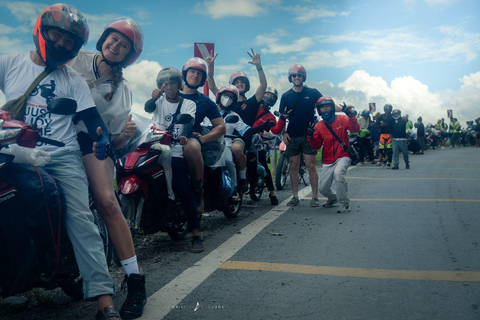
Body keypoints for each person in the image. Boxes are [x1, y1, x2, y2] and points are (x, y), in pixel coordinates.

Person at [0, 4, 120, 319]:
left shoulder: (73, 81)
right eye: (58, 35)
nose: (63, 45)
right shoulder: (10, 63)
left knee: (80, 218)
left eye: (70, 42)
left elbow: (92, 119)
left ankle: (104, 299)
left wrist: (102, 137)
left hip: (61, 156)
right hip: (14, 150)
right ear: (42, 31)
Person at [69, 17, 146, 319]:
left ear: (129, 54)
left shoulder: (122, 89)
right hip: (51, 138)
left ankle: (135, 279)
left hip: (91, 142)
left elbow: (112, 138)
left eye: (123, 45)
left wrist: (122, 136)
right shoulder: (75, 58)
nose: (115, 46)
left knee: (106, 201)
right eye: (113, 39)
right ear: (103, 39)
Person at [144, 67, 203, 253]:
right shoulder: (158, 101)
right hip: (156, 147)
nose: (169, 86)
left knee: (184, 190)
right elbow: (148, 108)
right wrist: (153, 98)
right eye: (165, 83)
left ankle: (195, 234)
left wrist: (183, 136)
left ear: (179, 84)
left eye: (172, 82)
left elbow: (187, 122)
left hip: (175, 149)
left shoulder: (188, 104)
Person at [179, 57, 226, 213]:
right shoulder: (170, 94)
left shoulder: (206, 101)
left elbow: (221, 126)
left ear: (203, 79)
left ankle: (198, 192)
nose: (195, 75)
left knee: (191, 148)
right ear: (184, 73)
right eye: (192, 71)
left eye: (199, 73)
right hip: (166, 135)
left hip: (190, 137)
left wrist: (204, 138)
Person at [272, 64, 322, 207]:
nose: (297, 78)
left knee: (310, 165)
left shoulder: (312, 93)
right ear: (290, 78)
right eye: (294, 75)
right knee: (294, 165)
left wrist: (343, 109)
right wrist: (284, 133)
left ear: (303, 77)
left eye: (299, 75)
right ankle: (295, 196)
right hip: (292, 135)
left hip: (309, 135)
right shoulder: (286, 96)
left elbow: (326, 104)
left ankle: (315, 196)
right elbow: (282, 117)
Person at [215, 85, 274, 197]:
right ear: (219, 96)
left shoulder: (234, 115)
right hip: (208, 144)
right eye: (226, 96)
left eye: (231, 97)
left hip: (226, 144)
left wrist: (263, 126)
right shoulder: (209, 112)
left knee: (228, 161)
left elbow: (246, 130)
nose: (228, 99)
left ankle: (235, 188)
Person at [308, 97, 360, 213]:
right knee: (322, 188)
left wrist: (351, 116)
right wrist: (310, 137)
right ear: (319, 110)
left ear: (333, 107)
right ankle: (333, 198)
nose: (325, 109)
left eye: (328, 106)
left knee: (338, 175)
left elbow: (355, 130)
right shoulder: (318, 126)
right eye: (322, 107)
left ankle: (344, 203)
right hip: (328, 160)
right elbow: (316, 146)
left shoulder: (343, 119)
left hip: (343, 155)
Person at [206, 48, 267, 127]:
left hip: (245, 137)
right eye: (236, 83)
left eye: (242, 82)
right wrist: (209, 67)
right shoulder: (225, 100)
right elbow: (212, 86)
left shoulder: (251, 103)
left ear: (247, 85)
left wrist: (258, 66)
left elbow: (263, 86)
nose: (239, 84)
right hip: (225, 136)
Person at [252, 87, 279, 205]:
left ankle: (272, 192)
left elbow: (276, 129)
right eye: (267, 94)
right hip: (243, 137)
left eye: (272, 96)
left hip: (257, 142)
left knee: (263, 163)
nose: (269, 97)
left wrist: (282, 118)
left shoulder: (270, 116)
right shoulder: (251, 106)